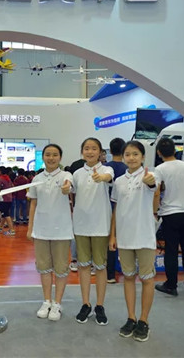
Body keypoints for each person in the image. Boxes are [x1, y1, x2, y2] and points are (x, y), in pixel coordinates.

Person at [109, 140, 157, 342]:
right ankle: (131, 317)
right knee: (128, 277)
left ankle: (144, 321)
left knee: (147, 279)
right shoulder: (119, 181)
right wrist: (113, 235)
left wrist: (150, 182)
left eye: (135, 154)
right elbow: (116, 209)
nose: (131, 157)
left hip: (144, 236)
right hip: (125, 237)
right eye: (127, 154)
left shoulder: (150, 175)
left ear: (143, 157)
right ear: (123, 157)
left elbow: (153, 185)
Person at [27, 144, 73, 321]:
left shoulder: (66, 175)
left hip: (61, 231)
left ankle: (57, 303)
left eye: (55, 155)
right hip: (41, 230)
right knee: (44, 268)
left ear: (60, 157)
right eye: (48, 154)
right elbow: (33, 203)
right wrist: (30, 228)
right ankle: (46, 301)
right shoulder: (37, 178)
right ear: (43, 157)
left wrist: (66, 188)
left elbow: (69, 186)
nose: (51, 158)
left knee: (61, 268)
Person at [72, 138, 114, 325]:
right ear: (82, 152)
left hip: (100, 225)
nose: (90, 152)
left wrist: (101, 178)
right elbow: (70, 189)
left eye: (94, 148)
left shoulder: (107, 169)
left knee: (100, 266)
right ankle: (86, 304)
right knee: (83, 265)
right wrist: (65, 188)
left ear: (100, 152)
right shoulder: (77, 173)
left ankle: (100, 305)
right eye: (87, 148)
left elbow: (108, 177)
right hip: (81, 225)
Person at [153, 138, 184, 296]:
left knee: (171, 250)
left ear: (159, 152)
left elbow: (156, 192)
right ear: (175, 150)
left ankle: (171, 285)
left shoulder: (159, 169)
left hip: (170, 214)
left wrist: (155, 211)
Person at [104, 137, 128, 284]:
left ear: (110, 150)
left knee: (109, 240)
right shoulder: (128, 169)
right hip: (123, 208)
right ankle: (123, 268)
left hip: (106, 208)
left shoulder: (105, 167)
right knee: (121, 239)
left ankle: (109, 273)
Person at [0, 166, 16, 236]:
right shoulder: (8, 179)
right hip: (9, 198)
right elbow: (12, 186)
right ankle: (0, 227)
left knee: (6, 214)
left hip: (3, 199)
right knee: (4, 214)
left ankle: (11, 230)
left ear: (0, 172)